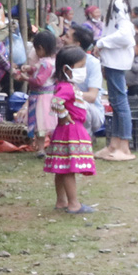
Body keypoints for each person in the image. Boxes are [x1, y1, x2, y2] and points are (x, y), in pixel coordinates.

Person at [42, 45, 97, 213]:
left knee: (61, 167)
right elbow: (56, 102)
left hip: (64, 130)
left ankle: (61, 201)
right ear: (67, 68)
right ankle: (74, 204)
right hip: (71, 130)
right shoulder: (67, 87)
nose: (83, 70)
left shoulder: (65, 85)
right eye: (80, 67)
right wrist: (65, 115)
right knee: (69, 168)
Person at [92, 0, 137, 161]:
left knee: (120, 103)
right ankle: (114, 145)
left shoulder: (118, 3)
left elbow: (126, 35)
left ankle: (124, 146)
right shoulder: (117, 1)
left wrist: (101, 42)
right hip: (113, 60)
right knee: (116, 101)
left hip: (117, 60)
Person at [70, 26, 109, 137]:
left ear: (77, 44)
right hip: (67, 104)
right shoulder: (61, 59)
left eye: (67, 36)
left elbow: (92, 96)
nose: (62, 38)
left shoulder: (92, 63)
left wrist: (68, 94)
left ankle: (85, 137)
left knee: (80, 104)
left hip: (91, 111)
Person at [26, 28, 58, 140]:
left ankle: (41, 148)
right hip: (49, 96)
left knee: (41, 123)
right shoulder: (52, 61)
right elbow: (36, 69)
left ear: (40, 48)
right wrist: (29, 69)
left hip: (42, 98)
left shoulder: (46, 64)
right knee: (49, 122)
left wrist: (26, 78)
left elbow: (39, 81)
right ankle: (53, 146)